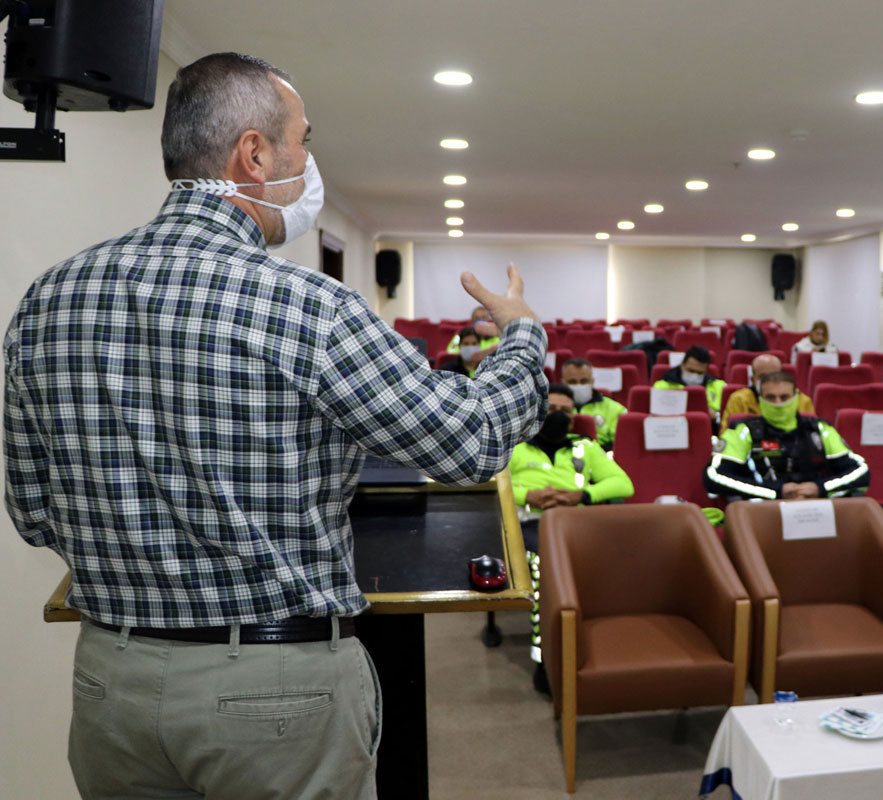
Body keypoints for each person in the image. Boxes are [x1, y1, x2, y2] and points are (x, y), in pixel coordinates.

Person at [3, 52, 547, 799]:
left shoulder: (48, 298)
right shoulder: (306, 306)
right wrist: (521, 336)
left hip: (111, 682)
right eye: (304, 140)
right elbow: (471, 441)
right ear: (254, 154)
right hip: (274, 692)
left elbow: (33, 514)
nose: (310, 161)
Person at [510, 383, 634, 691]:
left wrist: (583, 494)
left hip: (578, 523)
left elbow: (623, 484)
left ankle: (604, 644)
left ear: (574, 415)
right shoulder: (515, 445)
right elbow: (486, 487)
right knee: (544, 569)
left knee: (624, 564)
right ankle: (546, 658)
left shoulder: (586, 446)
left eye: (564, 411)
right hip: (528, 525)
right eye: (551, 409)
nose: (557, 415)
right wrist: (528, 496)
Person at [705, 371, 869, 501]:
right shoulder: (742, 431)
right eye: (770, 397)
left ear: (796, 397)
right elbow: (714, 477)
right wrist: (775, 492)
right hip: (763, 513)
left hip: (815, 507)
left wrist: (820, 488)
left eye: (784, 397)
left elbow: (861, 472)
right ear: (760, 399)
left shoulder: (819, 429)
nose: (778, 403)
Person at [720, 352, 815, 433]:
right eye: (762, 377)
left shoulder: (802, 400)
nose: (768, 380)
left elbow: (812, 436)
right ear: (753, 380)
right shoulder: (739, 399)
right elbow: (727, 435)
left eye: (774, 375)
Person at [560, 358, 628, 449]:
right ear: (563, 382)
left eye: (584, 381)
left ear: (592, 382)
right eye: (572, 382)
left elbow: (621, 444)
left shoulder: (615, 409)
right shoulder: (552, 407)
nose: (578, 385)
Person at [654, 344, 727, 425]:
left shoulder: (720, 386)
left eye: (700, 373)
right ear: (682, 365)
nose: (694, 376)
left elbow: (729, 418)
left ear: (706, 370)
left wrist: (716, 416)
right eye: (691, 371)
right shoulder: (661, 386)